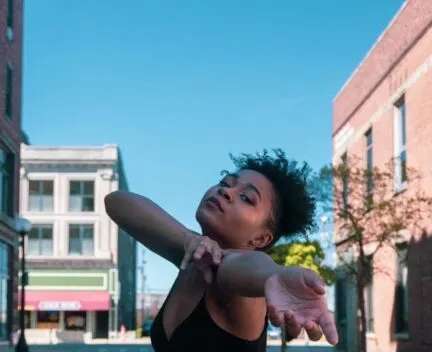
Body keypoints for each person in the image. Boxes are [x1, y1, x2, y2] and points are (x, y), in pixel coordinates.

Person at [105, 149, 338, 352]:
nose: (226, 192)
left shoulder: (238, 277)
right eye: (226, 183)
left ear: (261, 238)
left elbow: (245, 268)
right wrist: (189, 241)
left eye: (246, 198)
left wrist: (274, 276)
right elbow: (117, 202)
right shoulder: (194, 257)